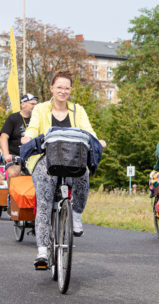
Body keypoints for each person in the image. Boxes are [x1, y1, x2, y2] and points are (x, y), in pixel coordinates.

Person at [21, 70, 106, 269]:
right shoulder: (41, 109)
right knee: (44, 200)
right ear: (52, 89)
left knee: (83, 175)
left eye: (67, 88)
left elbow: (88, 131)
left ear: (70, 90)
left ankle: (76, 214)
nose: (63, 91)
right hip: (46, 159)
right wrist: (29, 138)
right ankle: (42, 251)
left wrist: (97, 141)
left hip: (72, 159)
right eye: (59, 87)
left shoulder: (78, 110)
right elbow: (33, 129)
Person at [0, 93, 38, 184]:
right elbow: (3, 136)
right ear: (23, 104)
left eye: (36, 104)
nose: (35, 106)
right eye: (32, 104)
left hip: (33, 155)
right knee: (13, 173)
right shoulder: (13, 118)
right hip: (15, 154)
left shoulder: (37, 118)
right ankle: (12, 196)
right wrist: (6, 155)